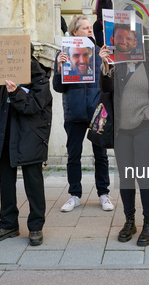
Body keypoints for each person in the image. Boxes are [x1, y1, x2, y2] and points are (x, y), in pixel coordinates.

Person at [0, 44, 52, 246]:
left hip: (30, 137)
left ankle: (35, 227)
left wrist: (15, 93)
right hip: (4, 135)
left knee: (33, 183)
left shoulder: (39, 77)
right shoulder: (2, 74)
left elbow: (34, 106)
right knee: (6, 182)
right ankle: (8, 224)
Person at [99, 31, 149, 246]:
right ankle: (129, 221)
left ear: (138, 41)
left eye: (129, 38)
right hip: (122, 131)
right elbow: (106, 90)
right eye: (120, 38)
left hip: (145, 128)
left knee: (144, 176)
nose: (124, 42)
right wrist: (106, 66)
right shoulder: (115, 64)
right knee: (126, 178)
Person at [53, 16, 114, 212]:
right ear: (74, 32)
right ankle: (74, 195)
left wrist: (106, 64)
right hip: (75, 112)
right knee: (73, 155)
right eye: (85, 28)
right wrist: (59, 68)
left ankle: (104, 193)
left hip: (97, 112)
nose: (90, 30)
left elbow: (109, 85)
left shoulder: (99, 52)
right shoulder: (64, 54)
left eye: (90, 27)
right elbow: (58, 88)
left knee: (101, 155)